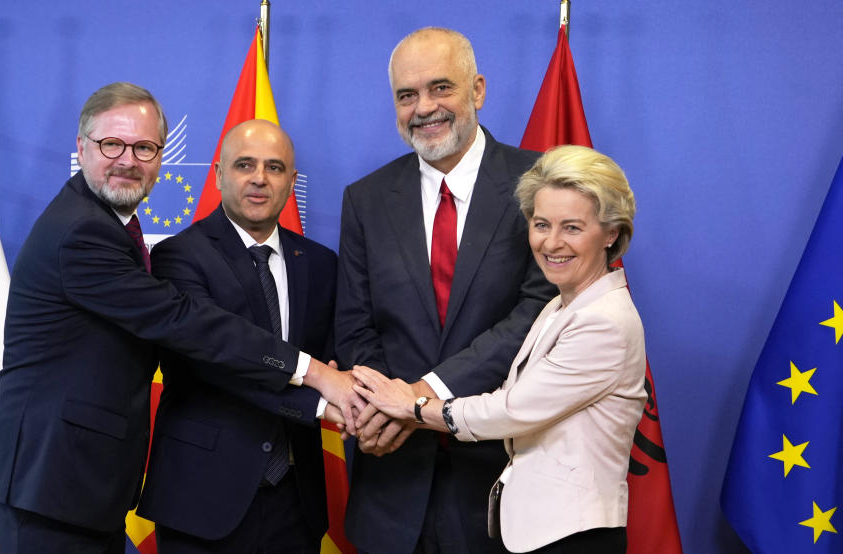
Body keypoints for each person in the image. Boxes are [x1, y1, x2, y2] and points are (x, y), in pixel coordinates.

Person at [0, 83, 359, 554]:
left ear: (161, 157)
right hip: (55, 483)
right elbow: (187, 325)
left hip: (82, 485)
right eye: (112, 144)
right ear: (81, 148)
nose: (127, 160)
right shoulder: (83, 233)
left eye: (144, 148)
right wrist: (320, 380)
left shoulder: (106, 225)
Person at [352, 145, 647, 554]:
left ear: (611, 232)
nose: (552, 242)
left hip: (575, 535)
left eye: (573, 228)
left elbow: (511, 410)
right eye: (541, 224)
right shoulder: (559, 306)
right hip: (539, 529)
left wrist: (414, 405)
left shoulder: (603, 320)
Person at [336, 27, 557, 553]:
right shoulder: (365, 199)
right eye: (406, 95)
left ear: (477, 90)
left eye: (441, 88)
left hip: (500, 484)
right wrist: (389, 409)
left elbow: (539, 311)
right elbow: (353, 324)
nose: (424, 108)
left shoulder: (540, 183)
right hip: (390, 483)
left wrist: (422, 397)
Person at [136, 119, 337, 553]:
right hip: (202, 501)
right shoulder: (178, 256)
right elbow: (216, 360)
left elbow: (335, 356)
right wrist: (325, 401)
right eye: (245, 164)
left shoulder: (320, 263)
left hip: (296, 502)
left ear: (292, 182)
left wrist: (356, 387)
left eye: (275, 167)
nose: (259, 178)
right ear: (219, 174)